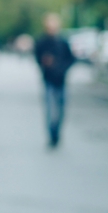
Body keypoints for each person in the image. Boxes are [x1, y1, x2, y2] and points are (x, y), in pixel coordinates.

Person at [34, 13, 76, 147]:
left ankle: (57, 131)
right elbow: (37, 57)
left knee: (61, 110)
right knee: (50, 109)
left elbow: (71, 59)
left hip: (61, 80)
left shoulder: (63, 42)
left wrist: (61, 68)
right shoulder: (41, 42)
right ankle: (51, 134)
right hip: (48, 80)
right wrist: (43, 64)